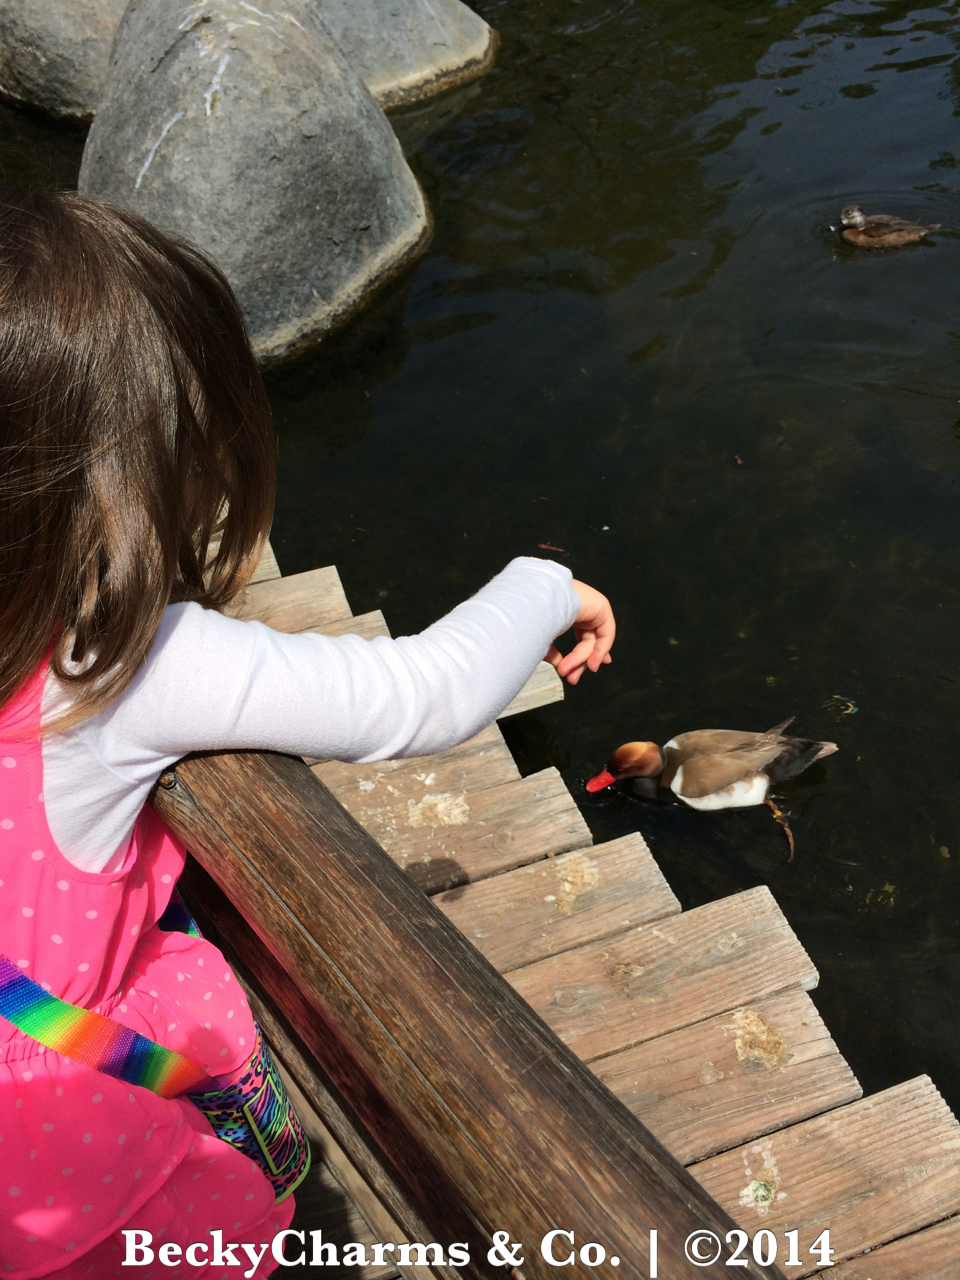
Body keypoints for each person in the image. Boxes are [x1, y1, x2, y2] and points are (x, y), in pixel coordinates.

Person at [0, 191, 615, 1279]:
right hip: (57, 1165)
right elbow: (426, 691)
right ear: (122, 478)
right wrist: (546, 583)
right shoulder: (114, 662)